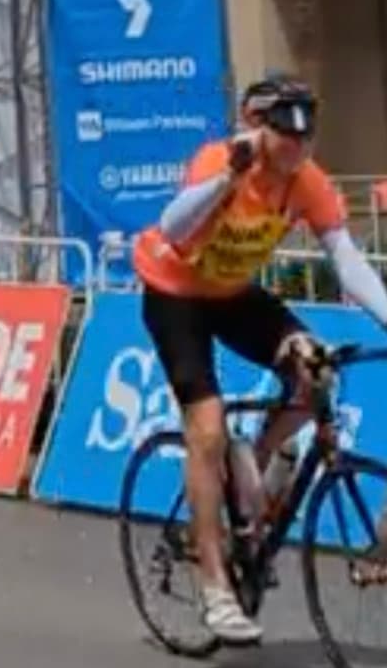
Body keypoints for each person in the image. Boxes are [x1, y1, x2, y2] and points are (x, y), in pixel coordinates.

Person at [132, 74, 387, 644]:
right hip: (174, 293)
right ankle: (215, 586)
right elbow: (174, 228)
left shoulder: (308, 182)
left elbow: (346, 262)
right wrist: (228, 176)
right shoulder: (219, 162)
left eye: (306, 136)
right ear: (257, 129)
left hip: (232, 293)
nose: (297, 147)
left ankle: (256, 469)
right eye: (284, 134)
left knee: (315, 367)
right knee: (206, 427)